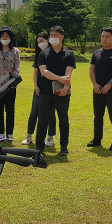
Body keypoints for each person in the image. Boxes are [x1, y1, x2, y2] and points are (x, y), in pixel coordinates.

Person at [35, 26, 75, 156]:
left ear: (62, 37)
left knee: (63, 119)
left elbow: (68, 74)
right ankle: (39, 147)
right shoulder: (44, 53)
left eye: (55, 35)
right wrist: (59, 78)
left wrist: (65, 88)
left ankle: (64, 147)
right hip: (45, 92)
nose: (52, 37)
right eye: (51, 35)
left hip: (62, 93)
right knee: (42, 120)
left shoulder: (69, 54)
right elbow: (43, 72)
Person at [87, 27, 112, 151]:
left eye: (107, 37)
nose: (104, 39)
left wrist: (109, 84)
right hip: (97, 90)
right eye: (102, 36)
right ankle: (97, 139)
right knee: (98, 116)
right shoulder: (96, 53)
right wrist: (95, 84)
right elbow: (91, 69)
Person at [22, 32, 57, 147]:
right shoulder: (39, 55)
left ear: (48, 40)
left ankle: (50, 137)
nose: (40, 44)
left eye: (42, 41)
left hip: (52, 88)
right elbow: (35, 73)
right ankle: (29, 135)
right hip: (39, 88)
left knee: (51, 113)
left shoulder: (54, 54)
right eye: (38, 42)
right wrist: (36, 86)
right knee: (34, 112)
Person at [0, 26, 21, 142]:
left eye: (7, 36)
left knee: (10, 110)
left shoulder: (16, 52)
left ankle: (10, 134)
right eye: (3, 36)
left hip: (11, 86)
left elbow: (17, 70)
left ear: (10, 38)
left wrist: (9, 84)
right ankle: (0, 134)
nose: (5, 38)